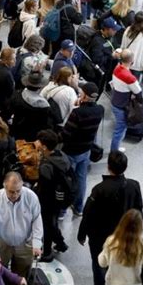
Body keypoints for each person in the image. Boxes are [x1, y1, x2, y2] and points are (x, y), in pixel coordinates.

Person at [78, 150, 143, 285]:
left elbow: (88, 213)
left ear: (108, 167)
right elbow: (139, 211)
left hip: (101, 238)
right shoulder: (134, 186)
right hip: (124, 237)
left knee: (99, 266)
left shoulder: (99, 189)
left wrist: (82, 233)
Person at [0, 171, 43, 275]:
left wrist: (37, 243)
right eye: (11, 191)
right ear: (4, 186)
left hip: (25, 243)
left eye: (18, 191)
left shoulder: (31, 197)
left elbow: (37, 220)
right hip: (2, 243)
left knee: (22, 274)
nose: (15, 194)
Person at [61, 82, 104, 216]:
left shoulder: (77, 113)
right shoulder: (100, 110)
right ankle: (79, 208)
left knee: (67, 182)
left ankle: (62, 211)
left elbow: (65, 134)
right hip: (86, 150)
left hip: (71, 151)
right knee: (81, 180)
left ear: (84, 96)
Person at [35, 129, 75, 261]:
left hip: (48, 201)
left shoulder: (46, 166)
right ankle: (60, 243)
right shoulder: (62, 156)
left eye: (39, 142)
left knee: (47, 226)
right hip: (60, 199)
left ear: (44, 147)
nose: (36, 143)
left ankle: (46, 253)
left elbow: (44, 188)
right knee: (52, 223)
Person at [9, 71, 58, 142]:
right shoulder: (43, 106)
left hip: (18, 131)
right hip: (33, 136)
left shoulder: (18, 95)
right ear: (40, 87)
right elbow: (47, 125)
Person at [110, 49, 143, 152]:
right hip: (122, 106)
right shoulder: (130, 78)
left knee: (120, 128)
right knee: (120, 130)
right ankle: (114, 152)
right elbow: (139, 94)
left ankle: (116, 148)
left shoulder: (116, 69)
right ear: (132, 61)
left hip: (114, 101)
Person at [121, 12, 143, 80]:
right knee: (133, 87)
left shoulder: (128, 30)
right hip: (137, 67)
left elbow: (123, 46)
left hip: (125, 63)